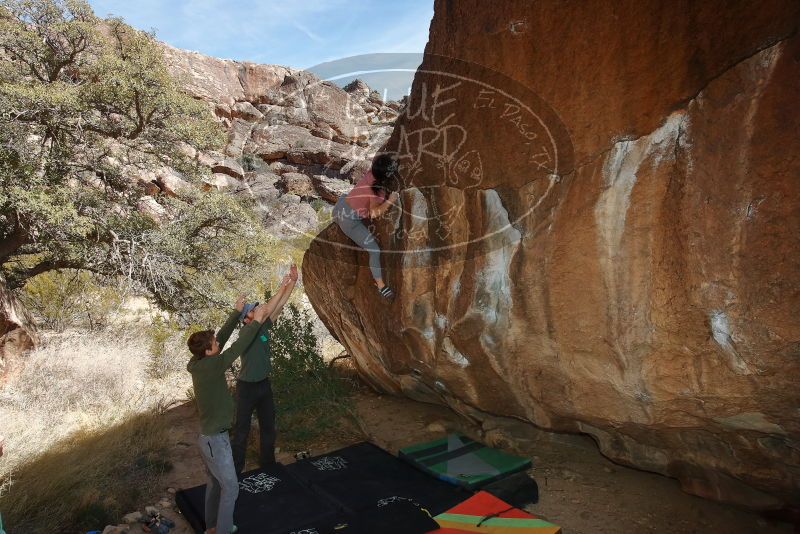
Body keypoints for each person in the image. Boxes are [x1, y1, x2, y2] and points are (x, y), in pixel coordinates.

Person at [187, 300, 272, 534]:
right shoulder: (212, 365)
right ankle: (223, 530)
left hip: (208, 438)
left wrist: (236, 312)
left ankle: (212, 527)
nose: (218, 344)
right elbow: (236, 347)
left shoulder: (199, 361)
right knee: (231, 488)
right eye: (214, 344)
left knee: (215, 483)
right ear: (208, 352)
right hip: (216, 440)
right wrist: (255, 322)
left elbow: (222, 339)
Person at [231, 265, 298, 474]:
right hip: (246, 388)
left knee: (268, 427)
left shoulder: (262, 327)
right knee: (241, 432)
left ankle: (268, 465)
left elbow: (277, 306)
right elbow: (269, 307)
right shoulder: (246, 334)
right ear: (245, 319)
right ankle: (235, 471)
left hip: (263, 385)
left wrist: (292, 283)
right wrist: (282, 285)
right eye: (252, 310)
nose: (257, 310)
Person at [332, 153, 401, 299]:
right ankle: (381, 286)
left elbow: (378, 158)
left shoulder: (371, 172)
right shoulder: (377, 192)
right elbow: (374, 214)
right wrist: (391, 200)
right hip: (349, 221)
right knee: (374, 250)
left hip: (340, 206)